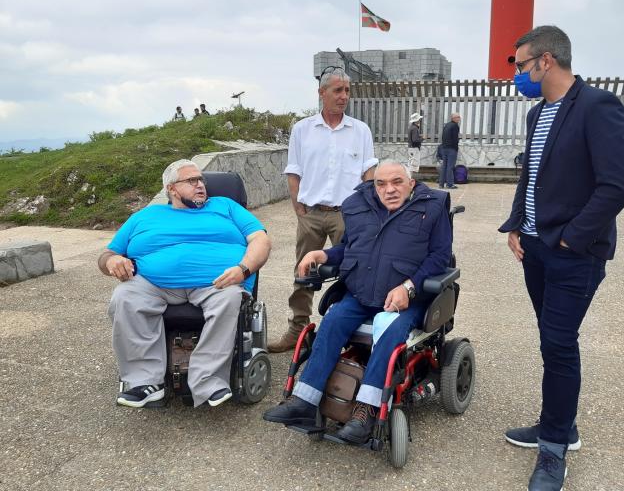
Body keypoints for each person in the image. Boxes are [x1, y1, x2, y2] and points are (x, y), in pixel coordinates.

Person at [498, 26, 624, 491]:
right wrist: (517, 225)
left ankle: (554, 447)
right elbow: (529, 179)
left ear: (546, 61)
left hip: (574, 254)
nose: (517, 74)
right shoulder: (538, 115)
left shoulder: (597, 107)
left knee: (558, 343)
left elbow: (616, 185)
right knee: (551, 341)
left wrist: (571, 239)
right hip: (535, 249)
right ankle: (560, 423)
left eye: (519, 65)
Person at [263, 160, 451, 444]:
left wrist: (409, 288)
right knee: (333, 320)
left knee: (389, 332)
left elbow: (440, 257)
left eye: (397, 182)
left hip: (405, 299)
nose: (389, 190)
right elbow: (348, 249)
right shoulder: (359, 207)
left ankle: (366, 411)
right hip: (363, 293)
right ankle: (304, 400)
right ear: (374, 187)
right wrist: (322, 255)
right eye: (381, 184)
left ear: (411, 183)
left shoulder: (433, 207)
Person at [99, 159, 272, 409]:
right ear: (172, 189)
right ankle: (146, 383)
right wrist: (113, 261)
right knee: (124, 296)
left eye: (201, 180)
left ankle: (208, 381)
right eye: (192, 181)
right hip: (155, 284)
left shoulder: (225, 206)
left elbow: (260, 240)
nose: (201, 185)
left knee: (231, 299)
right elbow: (106, 255)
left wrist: (242, 269)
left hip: (217, 283)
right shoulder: (145, 216)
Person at [267, 66, 377, 353]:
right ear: (322, 93)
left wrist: (365, 212)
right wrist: (299, 210)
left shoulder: (360, 131)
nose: (344, 96)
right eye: (338, 90)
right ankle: (298, 328)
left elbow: (369, 173)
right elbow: (294, 171)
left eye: (347, 91)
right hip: (311, 214)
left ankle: (347, 328)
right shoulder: (302, 129)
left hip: (348, 215)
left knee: (352, 270)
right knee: (304, 272)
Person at [439, 113, 461, 189]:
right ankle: (450, 184)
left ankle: (441, 183)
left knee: (444, 166)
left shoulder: (447, 125)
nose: (459, 118)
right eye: (458, 117)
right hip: (451, 148)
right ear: (454, 118)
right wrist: (456, 148)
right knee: (450, 167)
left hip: (444, 148)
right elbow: (455, 138)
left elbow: (443, 136)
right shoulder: (455, 126)